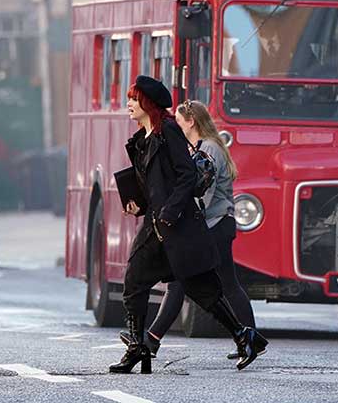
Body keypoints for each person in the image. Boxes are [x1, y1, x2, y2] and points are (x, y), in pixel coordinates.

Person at [109, 75, 267, 375]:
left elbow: (187, 176)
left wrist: (171, 210)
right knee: (136, 281)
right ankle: (138, 348)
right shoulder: (141, 140)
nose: (128, 104)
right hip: (157, 225)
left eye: (133, 99)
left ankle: (245, 337)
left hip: (177, 226)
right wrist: (137, 205)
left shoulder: (168, 131)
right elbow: (150, 185)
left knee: (201, 288)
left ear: (147, 103)